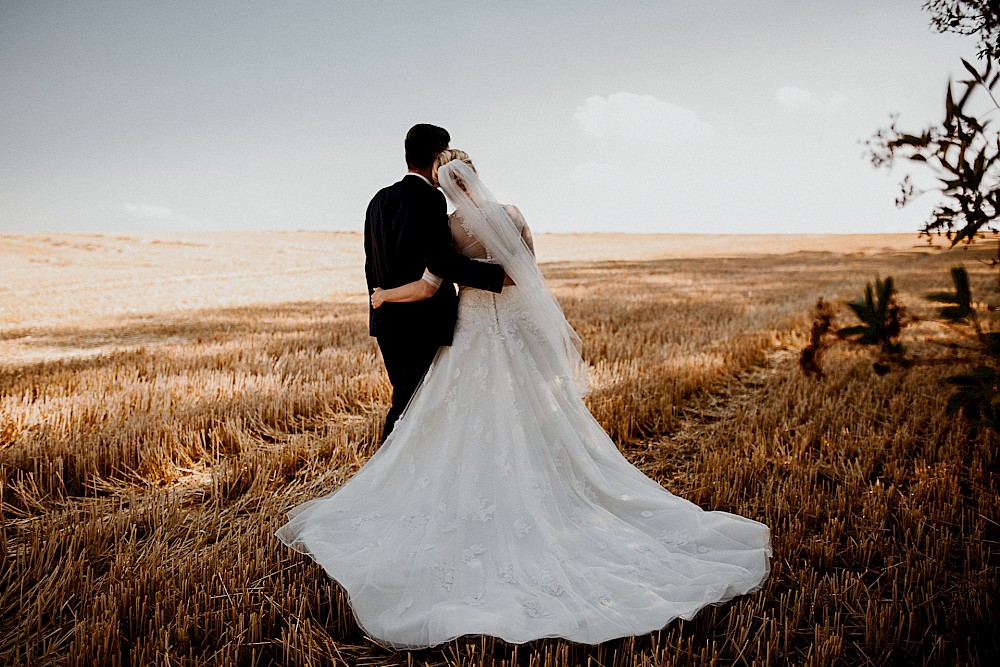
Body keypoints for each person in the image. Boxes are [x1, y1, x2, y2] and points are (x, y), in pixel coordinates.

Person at [276, 150, 771, 649]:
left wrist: (384, 295)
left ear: (446, 182)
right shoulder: (511, 215)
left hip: (470, 328)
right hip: (514, 324)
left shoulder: (446, 228)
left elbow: (433, 281)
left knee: (459, 413)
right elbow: (528, 273)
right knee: (538, 412)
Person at [363, 125, 507, 444]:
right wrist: (499, 276)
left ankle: (392, 471)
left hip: (387, 323)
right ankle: (387, 476)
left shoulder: (378, 200)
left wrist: (381, 299)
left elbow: (372, 264)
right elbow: (442, 263)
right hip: (422, 324)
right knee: (413, 406)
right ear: (437, 157)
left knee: (404, 401)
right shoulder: (430, 198)